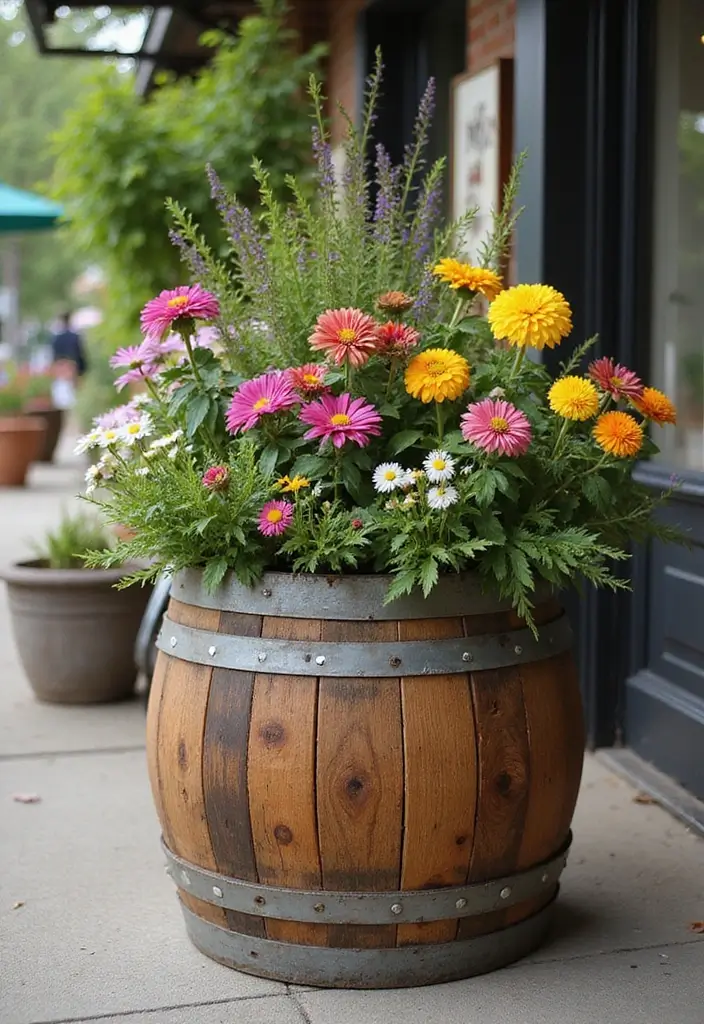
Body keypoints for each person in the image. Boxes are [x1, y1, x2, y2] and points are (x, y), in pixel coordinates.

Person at [50, 311, 87, 411]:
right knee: (73, 396)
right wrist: (81, 370)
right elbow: (80, 354)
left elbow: (54, 355)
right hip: (72, 367)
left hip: (60, 367)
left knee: (62, 396)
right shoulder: (74, 337)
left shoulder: (56, 338)